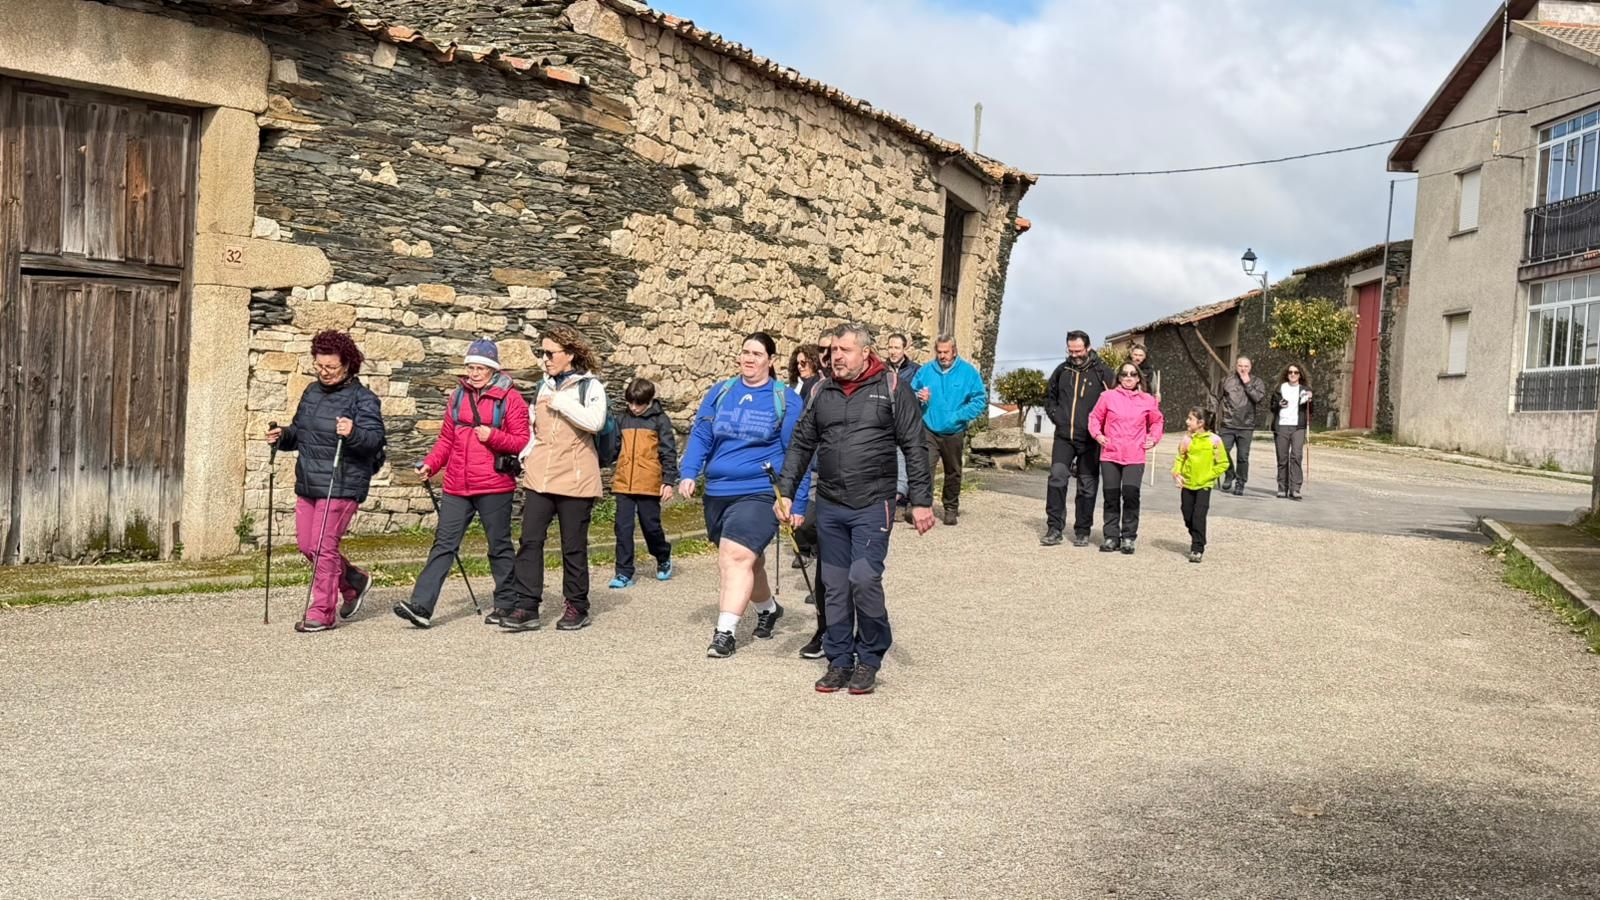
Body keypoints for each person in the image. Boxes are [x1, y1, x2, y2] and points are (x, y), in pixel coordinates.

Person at [777, 323, 935, 696]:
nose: (836, 357)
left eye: (844, 351)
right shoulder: (821, 391)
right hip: (831, 503)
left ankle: (870, 656)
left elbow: (915, 446)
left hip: (873, 503)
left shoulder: (893, 388)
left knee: (862, 579)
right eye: (833, 351)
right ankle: (839, 660)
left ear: (866, 352)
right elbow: (801, 443)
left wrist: (922, 501)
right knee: (833, 586)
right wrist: (785, 492)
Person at [678, 332, 809, 659]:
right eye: (745, 353)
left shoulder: (785, 399)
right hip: (719, 491)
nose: (749, 359)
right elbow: (702, 434)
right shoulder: (721, 392)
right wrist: (689, 472)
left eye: (757, 354)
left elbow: (801, 454)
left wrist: (797, 501)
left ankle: (725, 633)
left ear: (770, 360)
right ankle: (768, 608)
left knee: (735, 555)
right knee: (751, 560)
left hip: (760, 491)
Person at [394, 339, 530, 629]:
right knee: (443, 544)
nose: (474, 373)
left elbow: (521, 440)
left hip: (494, 484)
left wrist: (492, 436)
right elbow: (446, 439)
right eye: (470, 367)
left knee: (498, 546)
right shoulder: (457, 396)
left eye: (480, 367)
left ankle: (506, 605)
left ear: (493, 369)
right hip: (457, 484)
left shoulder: (511, 399)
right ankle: (421, 606)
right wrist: (431, 464)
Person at [265, 330, 386, 633]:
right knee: (308, 546)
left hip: (342, 482)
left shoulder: (364, 399)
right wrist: (283, 436)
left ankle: (322, 611)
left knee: (323, 546)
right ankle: (353, 581)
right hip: (309, 480)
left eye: (330, 367)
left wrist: (354, 433)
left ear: (347, 364)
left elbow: (374, 442)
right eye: (319, 366)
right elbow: (300, 433)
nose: (324, 372)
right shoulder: (311, 392)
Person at [504, 323, 608, 633]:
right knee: (530, 541)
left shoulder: (591, 387)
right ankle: (527, 605)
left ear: (570, 354)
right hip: (540, 475)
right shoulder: (543, 386)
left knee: (572, 546)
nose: (545, 359)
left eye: (550, 353)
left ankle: (577, 605)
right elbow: (536, 429)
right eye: (542, 353)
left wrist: (563, 402)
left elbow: (596, 422)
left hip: (576, 478)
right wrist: (526, 453)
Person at [1041, 331, 1114, 547]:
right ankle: (1054, 528)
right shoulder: (1062, 370)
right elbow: (1049, 397)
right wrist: (1056, 416)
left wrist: (1102, 430)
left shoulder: (1103, 373)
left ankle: (1082, 530)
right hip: (1064, 437)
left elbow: (1117, 401)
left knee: (1087, 486)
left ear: (1089, 348)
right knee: (1057, 478)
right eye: (1070, 351)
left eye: (1078, 351)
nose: (1074, 355)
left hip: (1091, 439)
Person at [608, 378, 678, 589]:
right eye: (630, 403)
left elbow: (668, 452)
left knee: (651, 527)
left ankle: (662, 555)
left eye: (638, 403)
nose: (634, 408)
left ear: (649, 401)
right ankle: (623, 572)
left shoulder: (660, 420)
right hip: (623, 483)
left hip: (649, 483)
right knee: (622, 528)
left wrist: (668, 481)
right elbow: (613, 448)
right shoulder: (622, 419)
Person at [910, 334, 987, 525]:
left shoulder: (968, 373)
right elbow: (910, 392)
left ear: (954, 351)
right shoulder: (926, 371)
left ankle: (951, 507)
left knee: (953, 471)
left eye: (946, 352)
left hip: (954, 430)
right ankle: (922, 506)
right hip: (929, 427)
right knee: (925, 468)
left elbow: (980, 400)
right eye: (939, 352)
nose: (942, 356)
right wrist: (919, 396)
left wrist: (958, 416)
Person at [1088, 363, 1164, 555]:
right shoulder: (1107, 397)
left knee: (1130, 495)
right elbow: (1094, 418)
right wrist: (1098, 435)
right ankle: (1111, 537)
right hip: (1111, 454)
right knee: (1111, 496)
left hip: (1135, 455)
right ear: (1119, 378)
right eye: (1124, 374)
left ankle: (1128, 537)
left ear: (1139, 378)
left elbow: (1157, 421)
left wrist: (1153, 438)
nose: (1128, 377)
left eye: (1132, 374)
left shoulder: (1148, 400)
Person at [1171, 406, 1230, 563]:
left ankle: (1197, 548)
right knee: (1187, 514)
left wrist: (1208, 476)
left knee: (1199, 516)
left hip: (1204, 486)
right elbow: (1180, 458)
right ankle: (1198, 537)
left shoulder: (1215, 441)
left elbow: (1223, 463)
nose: (1187, 421)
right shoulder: (1186, 440)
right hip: (1188, 484)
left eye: (1190, 419)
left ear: (1201, 423)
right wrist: (1177, 473)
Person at [1216, 356, 1266, 496]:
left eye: (1246, 366)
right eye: (1240, 366)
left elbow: (1258, 398)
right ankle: (1229, 473)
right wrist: (1210, 417)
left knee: (1243, 457)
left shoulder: (1257, 382)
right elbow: (1215, 397)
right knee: (1221, 452)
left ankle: (1240, 483)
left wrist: (1247, 383)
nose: (1243, 369)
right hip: (1228, 423)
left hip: (1246, 425)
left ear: (1250, 367)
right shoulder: (1226, 381)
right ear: (1236, 366)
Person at [1273, 364, 1313, 500]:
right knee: (1282, 458)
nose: (1293, 374)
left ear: (1300, 375)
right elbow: (1272, 406)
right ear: (1286, 374)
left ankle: (1295, 488)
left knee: (1296, 456)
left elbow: (1311, 409)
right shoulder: (1280, 388)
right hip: (1282, 425)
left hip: (1298, 427)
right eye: (1290, 372)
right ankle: (1282, 488)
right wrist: (1279, 404)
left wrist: (1310, 399)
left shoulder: (1305, 390)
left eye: (1296, 372)